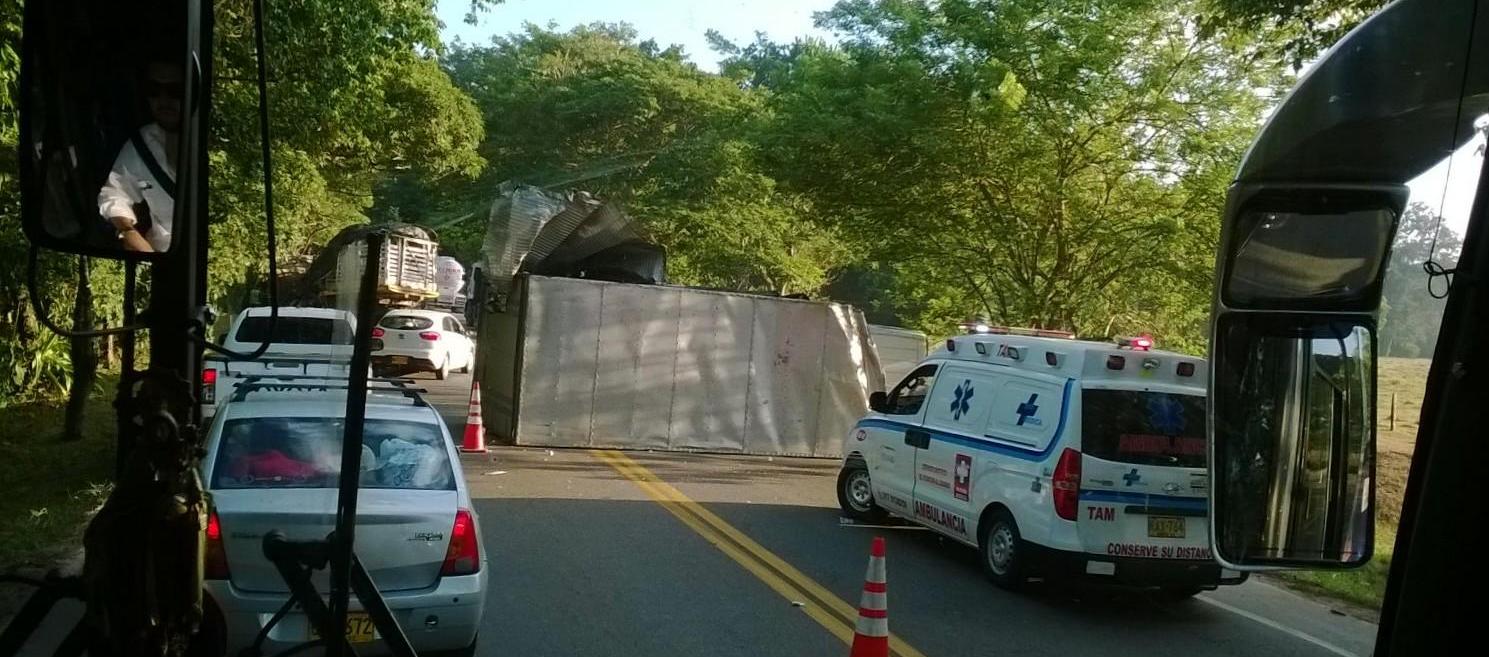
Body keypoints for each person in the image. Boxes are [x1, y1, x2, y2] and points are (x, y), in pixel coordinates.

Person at [97, 57, 182, 253]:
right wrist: (128, 231)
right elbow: (114, 192)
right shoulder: (140, 145)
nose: (164, 99)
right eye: (154, 90)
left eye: (175, 91)